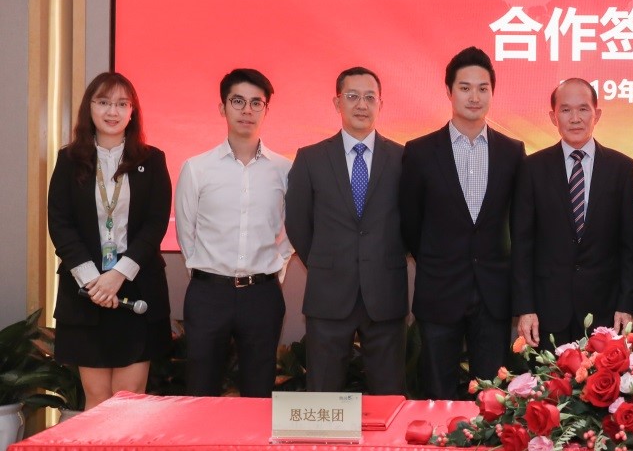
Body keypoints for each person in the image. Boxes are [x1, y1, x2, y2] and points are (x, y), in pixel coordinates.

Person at [400, 47, 525, 399]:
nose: (474, 97)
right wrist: (437, 258)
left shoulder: (512, 152)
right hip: (440, 290)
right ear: (449, 91)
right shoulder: (420, 151)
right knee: (436, 392)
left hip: (493, 293)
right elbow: (411, 222)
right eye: (465, 88)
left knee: (492, 396)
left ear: (492, 93)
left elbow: (518, 224)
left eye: (483, 88)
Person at [47, 72, 172, 410]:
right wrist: (93, 280)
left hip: (136, 287)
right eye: (103, 102)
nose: (112, 111)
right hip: (86, 292)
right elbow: (60, 224)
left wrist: (118, 274)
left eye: (121, 104)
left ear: (133, 111)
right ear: (89, 108)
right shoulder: (69, 160)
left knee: (128, 399)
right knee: (98, 397)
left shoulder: (152, 160)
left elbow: (155, 225)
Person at [286, 66, 407, 393]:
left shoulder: (402, 158)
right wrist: (325, 262)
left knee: (388, 395)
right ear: (337, 102)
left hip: (385, 292)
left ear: (380, 104)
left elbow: (413, 221)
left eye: (370, 97)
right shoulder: (310, 158)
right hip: (329, 293)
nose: (361, 105)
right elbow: (298, 222)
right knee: (323, 393)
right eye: (352, 96)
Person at [175, 68, 292, 398]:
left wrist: (276, 269)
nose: (247, 110)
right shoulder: (197, 168)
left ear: (266, 110)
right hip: (208, 294)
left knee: (259, 392)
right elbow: (186, 231)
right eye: (238, 101)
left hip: (262, 296)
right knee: (201, 390)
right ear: (222, 107)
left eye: (256, 103)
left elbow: (292, 230)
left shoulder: (284, 169)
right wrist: (205, 271)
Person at [512, 78, 633, 347]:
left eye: (583, 109)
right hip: (546, 312)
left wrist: (626, 304)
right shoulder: (532, 168)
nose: (575, 118)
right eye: (566, 110)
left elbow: (630, 245)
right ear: (553, 117)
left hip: (605, 312)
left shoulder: (622, 168)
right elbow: (522, 244)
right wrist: (525, 307)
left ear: (597, 115)